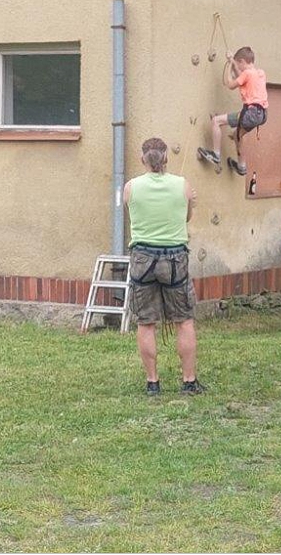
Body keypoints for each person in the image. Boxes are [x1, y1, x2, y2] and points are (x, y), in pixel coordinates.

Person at [123, 137, 202, 396]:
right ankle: (188, 381)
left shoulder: (130, 187)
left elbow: (133, 213)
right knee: (184, 320)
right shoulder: (183, 185)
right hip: (175, 258)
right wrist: (189, 203)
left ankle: (152, 382)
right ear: (166, 158)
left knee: (146, 322)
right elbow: (185, 218)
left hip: (142, 258)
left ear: (142, 159)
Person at [199, 46, 267, 176]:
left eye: (238, 64)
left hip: (250, 113)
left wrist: (230, 64)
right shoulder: (260, 73)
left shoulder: (247, 74)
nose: (238, 67)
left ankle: (216, 155)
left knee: (216, 121)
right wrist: (233, 62)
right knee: (237, 136)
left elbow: (229, 84)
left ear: (242, 61)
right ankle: (241, 166)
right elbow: (241, 76)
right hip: (261, 114)